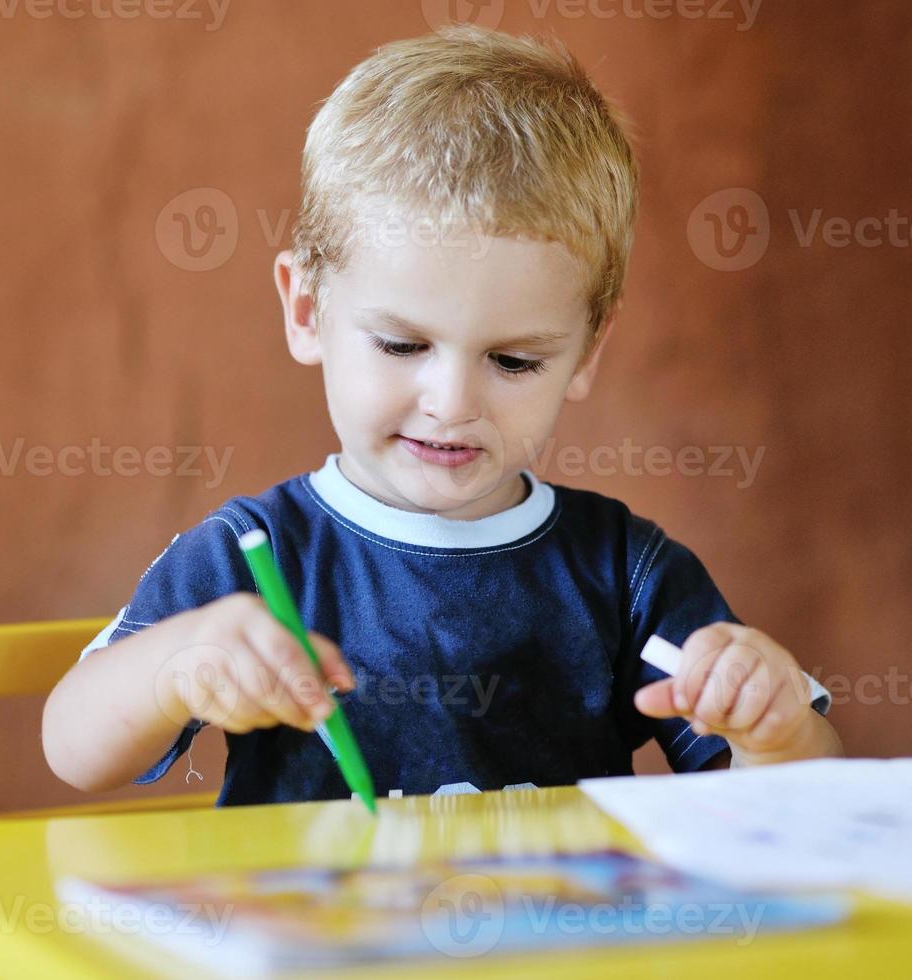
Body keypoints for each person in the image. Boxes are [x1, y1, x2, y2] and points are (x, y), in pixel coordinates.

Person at [42, 25, 842, 805]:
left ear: (587, 352)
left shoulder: (625, 573)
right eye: (400, 345)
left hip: (570, 940)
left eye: (514, 361)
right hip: (322, 939)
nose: (453, 403)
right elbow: (72, 748)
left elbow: (807, 806)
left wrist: (774, 739)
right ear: (306, 311)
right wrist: (180, 661)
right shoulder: (257, 556)